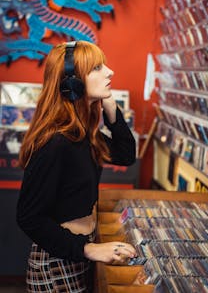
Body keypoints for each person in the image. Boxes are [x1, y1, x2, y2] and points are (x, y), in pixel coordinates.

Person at [16, 40, 137, 293]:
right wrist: (89, 249)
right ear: (73, 83)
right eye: (97, 68)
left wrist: (112, 113)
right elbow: (28, 218)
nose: (109, 72)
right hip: (57, 262)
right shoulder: (55, 142)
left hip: (78, 254)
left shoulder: (83, 133)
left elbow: (126, 156)